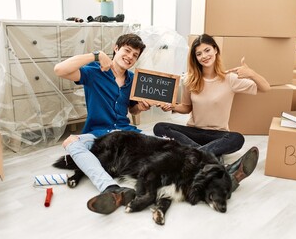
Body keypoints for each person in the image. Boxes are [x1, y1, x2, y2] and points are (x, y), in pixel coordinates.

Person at [153, 34, 271, 191]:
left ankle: (194, 157)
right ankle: (219, 165)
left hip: (218, 135)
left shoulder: (230, 79)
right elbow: (187, 107)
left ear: (215, 50)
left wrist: (251, 73)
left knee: (237, 138)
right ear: (195, 58)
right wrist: (172, 106)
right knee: (160, 127)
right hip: (193, 132)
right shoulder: (190, 80)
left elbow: (266, 88)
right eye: (199, 53)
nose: (204, 56)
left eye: (207, 50)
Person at [54, 33, 150, 215]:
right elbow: (59, 69)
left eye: (135, 55)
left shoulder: (133, 80)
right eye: (127, 51)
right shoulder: (94, 71)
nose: (130, 57)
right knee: (71, 142)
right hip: (98, 134)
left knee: (162, 145)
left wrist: (140, 107)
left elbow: (132, 110)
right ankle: (110, 188)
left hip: (125, 134)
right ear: (116, 48)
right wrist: (95, 55)